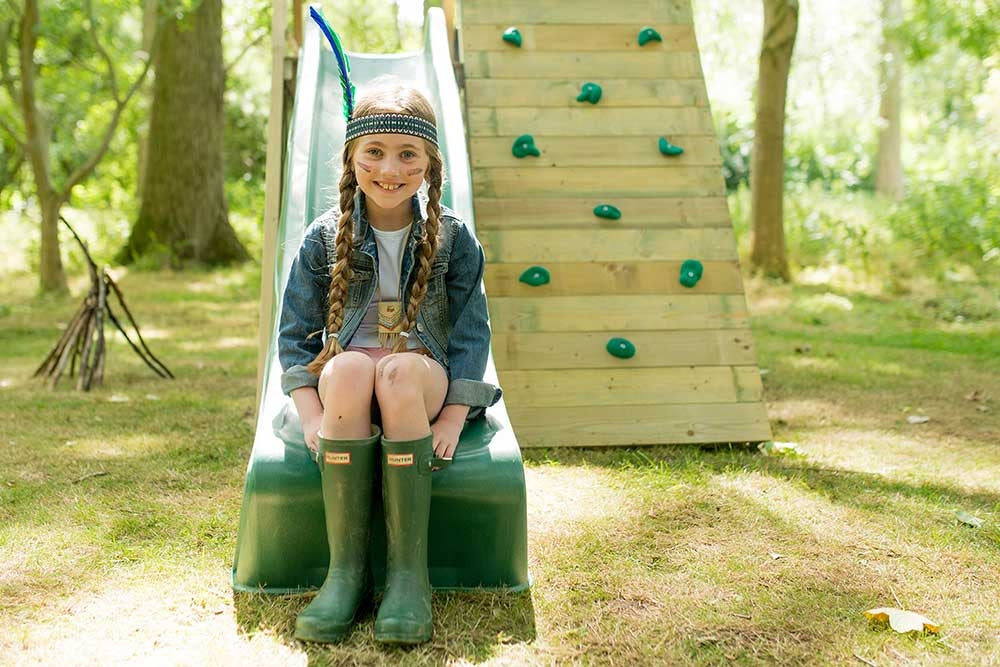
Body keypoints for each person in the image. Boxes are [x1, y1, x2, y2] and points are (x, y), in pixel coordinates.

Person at [277, 77, 501, 646]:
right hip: (347, 391)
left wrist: (452, 416)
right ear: (352, 159)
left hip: (416, 382)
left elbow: (473, 334)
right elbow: (296, 337)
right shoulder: (324, 238)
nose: (390, 168)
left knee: (395, 369)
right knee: (351, 366)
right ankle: (345, 574)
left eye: (408, 154)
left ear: (429, 165)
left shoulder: (451, 238)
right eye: (374, 152)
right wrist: (308, 414)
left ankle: (407, 578)